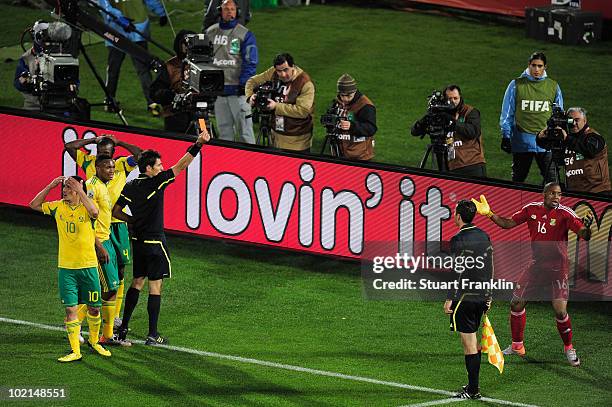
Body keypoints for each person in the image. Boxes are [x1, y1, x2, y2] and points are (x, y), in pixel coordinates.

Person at [471, 183, 592, 366]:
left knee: (560, 311)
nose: (556, 197)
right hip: (536, 267)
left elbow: (583, 233)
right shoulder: (531, 210)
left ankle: (569, 348)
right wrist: (489, 214)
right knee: (516, 303)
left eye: (559, 194)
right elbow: (508, 223)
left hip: (557, 270)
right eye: (552, 193)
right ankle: (517, 345)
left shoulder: (566, 214)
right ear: (544, 194)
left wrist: (587, 229)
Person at [112, 128, 210, 345]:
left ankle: (123, 328)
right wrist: (199, 144)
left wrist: (132, 222)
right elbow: (182, 165)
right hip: (155, 243)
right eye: (159, 165)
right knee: (155, 287)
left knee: (136, 283)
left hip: (137, 242)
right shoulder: (156, 182)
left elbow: (115, 211)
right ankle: (152, 334)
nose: (162, 168)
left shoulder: (130, 185)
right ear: (149, 168)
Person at [29, 175, 111, 362]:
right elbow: (33, 204)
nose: (64, 190)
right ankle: (75, 351)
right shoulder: (58, 206)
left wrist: (81, 191)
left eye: (69, 187)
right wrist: (50, 185)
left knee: (94, 308)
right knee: (70, 311)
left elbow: (96, 213)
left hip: (88, 266)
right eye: (64, 187)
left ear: (78, 187)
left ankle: (94, 341)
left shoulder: (86, 207)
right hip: (66, 268)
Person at [65, 135, 142, 329]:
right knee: (103, 274)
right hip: (99, 228)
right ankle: (84, 318)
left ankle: (114, 315)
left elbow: (140, 156)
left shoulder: (121, 165)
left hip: (117, 224)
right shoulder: (89, 163)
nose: (103, 155)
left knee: (121, 269)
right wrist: (92, 141)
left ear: (113, 154)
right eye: (100, 152)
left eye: (107, 153)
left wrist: (121, 142)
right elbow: (69, 146)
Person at [444, 200, 493, 400]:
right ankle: (473, 386)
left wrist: (450, 299)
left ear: (458, 216)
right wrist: (489, 294)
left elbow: (456, 271)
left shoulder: (457, 239)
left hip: (466, 297)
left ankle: (473, 390)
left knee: (469, 344)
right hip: (482, 295)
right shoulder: (484, 235)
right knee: (474, 343)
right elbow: (490, 265)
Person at [84, 155, 130, 346]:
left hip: (107, 238)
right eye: (107, 167)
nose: (111, 170)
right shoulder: (91, 186)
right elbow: (85, 220)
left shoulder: (103, 186)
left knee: (109, 287)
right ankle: (89, 332)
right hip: (98, 243)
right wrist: (99, 245)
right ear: (97, 168)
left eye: (113, 167)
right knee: (104, 288)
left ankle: (106, 335)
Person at [500, 51, 562, 184]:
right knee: (518, 180)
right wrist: (505, 135)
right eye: (534, 65)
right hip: (522, 141)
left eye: (540, 66)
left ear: (545, 67)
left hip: (546, 141)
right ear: (529, 65)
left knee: (552, 181)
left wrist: (556, 135)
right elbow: (507, 113)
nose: (536, 69)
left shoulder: (553, 86)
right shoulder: (516, 85)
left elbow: (558, 114)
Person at [97, 0, 168, 115]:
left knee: (140, 69)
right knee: (115, 69)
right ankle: (110, 100)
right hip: (119, 33)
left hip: (134, 31)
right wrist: (121, 19)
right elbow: (105, 7)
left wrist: (161, 12)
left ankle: (151, 103)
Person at [206, 0, 258, 144]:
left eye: (232, 9)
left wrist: (243, 85)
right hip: (219, 94)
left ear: (237, 12)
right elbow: (203, 59)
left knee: (245, 134)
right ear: (219, 11)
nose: (229, 12)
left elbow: (251, 62)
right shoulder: (210, 32)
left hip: (238, 93)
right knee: (224, 134)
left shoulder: (245, 34)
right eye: (226, 9)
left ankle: (251, 163)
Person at [245, 53, 315, 152]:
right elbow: (251, 81)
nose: (282, 74)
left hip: (296, 141)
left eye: (286, 70)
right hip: (275, 136)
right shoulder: (273, 73)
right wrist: (250, 96)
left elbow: (303, 111)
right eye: (279, 71)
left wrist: (276, 106)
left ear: (293, 66)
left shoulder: (304, 83)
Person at [412, 85, 486, 176]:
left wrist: (452, 121)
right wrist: (426, 118)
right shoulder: (440, 115)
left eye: (456, 98)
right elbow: (414, 132)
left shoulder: (470, 112)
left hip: (471, 165)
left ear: (460, 97)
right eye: (450, 98)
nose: (453, 101)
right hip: (450, 167)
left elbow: (473, 132)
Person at [536, 107, 611, 194]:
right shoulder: (566, 138)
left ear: (585, 120)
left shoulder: (593, 137)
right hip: (574, 193)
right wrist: (541, 136)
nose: (574, 123)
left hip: (597, 192)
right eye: (570, 121)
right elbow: (548, 145)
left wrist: (567, 138)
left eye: (577, 120)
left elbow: (590, 149)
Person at [150, 30, 196, 134]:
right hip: (175, 116)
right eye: (186, 43)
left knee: (206, 143)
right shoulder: (170, 65)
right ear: (179, 45)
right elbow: (154, 91)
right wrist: (171, 96)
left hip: (199, 115)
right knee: (177, 146)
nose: (188, 46)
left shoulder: (203, 64)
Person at [332, 73, 377, 161]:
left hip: (360, 156)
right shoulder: (337, 102)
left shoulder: (365, 105)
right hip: (339, 152)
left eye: (348, 96)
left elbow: (371, 129)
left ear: (354, 91)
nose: (345, 99)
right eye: (342, 95)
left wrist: (351, 126)